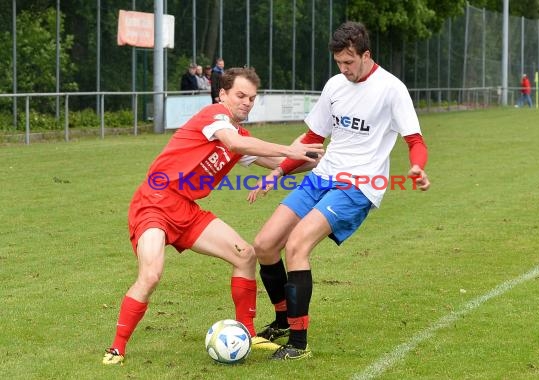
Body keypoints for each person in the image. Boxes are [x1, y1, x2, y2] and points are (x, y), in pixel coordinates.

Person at [102, 67, 324, 365]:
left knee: (245, 255)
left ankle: (245, 335)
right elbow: (234, 143)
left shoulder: (239, 134)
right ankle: (117, 348)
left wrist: (318, 158)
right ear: (222, 94)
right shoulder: (214, 117)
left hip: (186, 209)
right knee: (151, 274)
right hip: (155, 203)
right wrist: (291, 148)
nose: (246, 102)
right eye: (240, 95)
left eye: (252, 98)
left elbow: (281, 162)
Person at [248, 21, 431, 361]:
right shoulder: (335, 85)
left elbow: (415, 141)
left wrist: (417, 167)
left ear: (366, 55)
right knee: (265, 244)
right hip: (324, 175)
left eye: (349, 62)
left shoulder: (391, 89)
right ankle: (283, 320)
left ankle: (298, 344)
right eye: (339, 63)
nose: (344, 69)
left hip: (360, 184)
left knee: (298, 244)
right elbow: (312, 138)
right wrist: (278, 171)